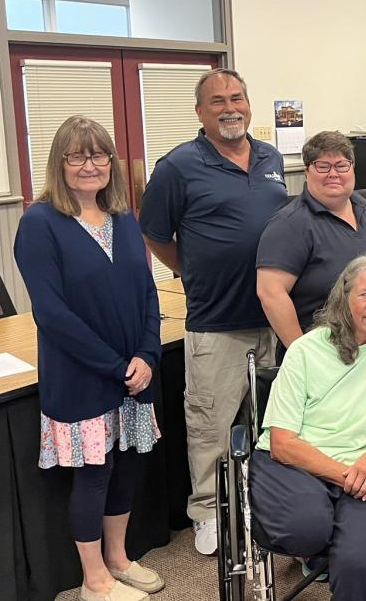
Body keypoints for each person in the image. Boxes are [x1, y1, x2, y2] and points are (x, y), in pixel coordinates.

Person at [15, 116, 164, 601]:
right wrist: (115, 367)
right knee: (95, 473)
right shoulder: (40, 223)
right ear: (59, 163)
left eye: (99, 155)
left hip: (134, 373)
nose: (90, 165)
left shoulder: (123, 217)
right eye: (77, 156)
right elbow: (51, 314)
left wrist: (146, 354)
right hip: (82, 375)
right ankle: (94, 579)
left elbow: (147, 292)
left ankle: (118, 559)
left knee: (127, 465)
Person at [139, 68, 286, 555]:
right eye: (218, 101)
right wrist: (192, 269)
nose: (230, 108)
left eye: (237, 98)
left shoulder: (270, 157)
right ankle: (207, 511)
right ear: (200, 111)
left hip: (273, 316)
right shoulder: (177, 166)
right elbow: (154, 234)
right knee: (211, 424)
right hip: (216, 319)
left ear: (249, 104)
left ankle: (260, 501)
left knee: (268, 421)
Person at [250, 254, 366, 601]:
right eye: (364, 294)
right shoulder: (305, 351)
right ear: (343, 299)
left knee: (359, 563)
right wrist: (354, 477)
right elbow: (283, 444)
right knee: (307, 530)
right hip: (297, 463)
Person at [256, 131, 366, 347]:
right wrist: (303, 353)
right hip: (326, 351)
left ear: (352, 168)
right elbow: (271, 294)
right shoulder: (289, 224)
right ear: (307, 171)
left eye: (342, 165)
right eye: (323, 166)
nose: (333, 174)